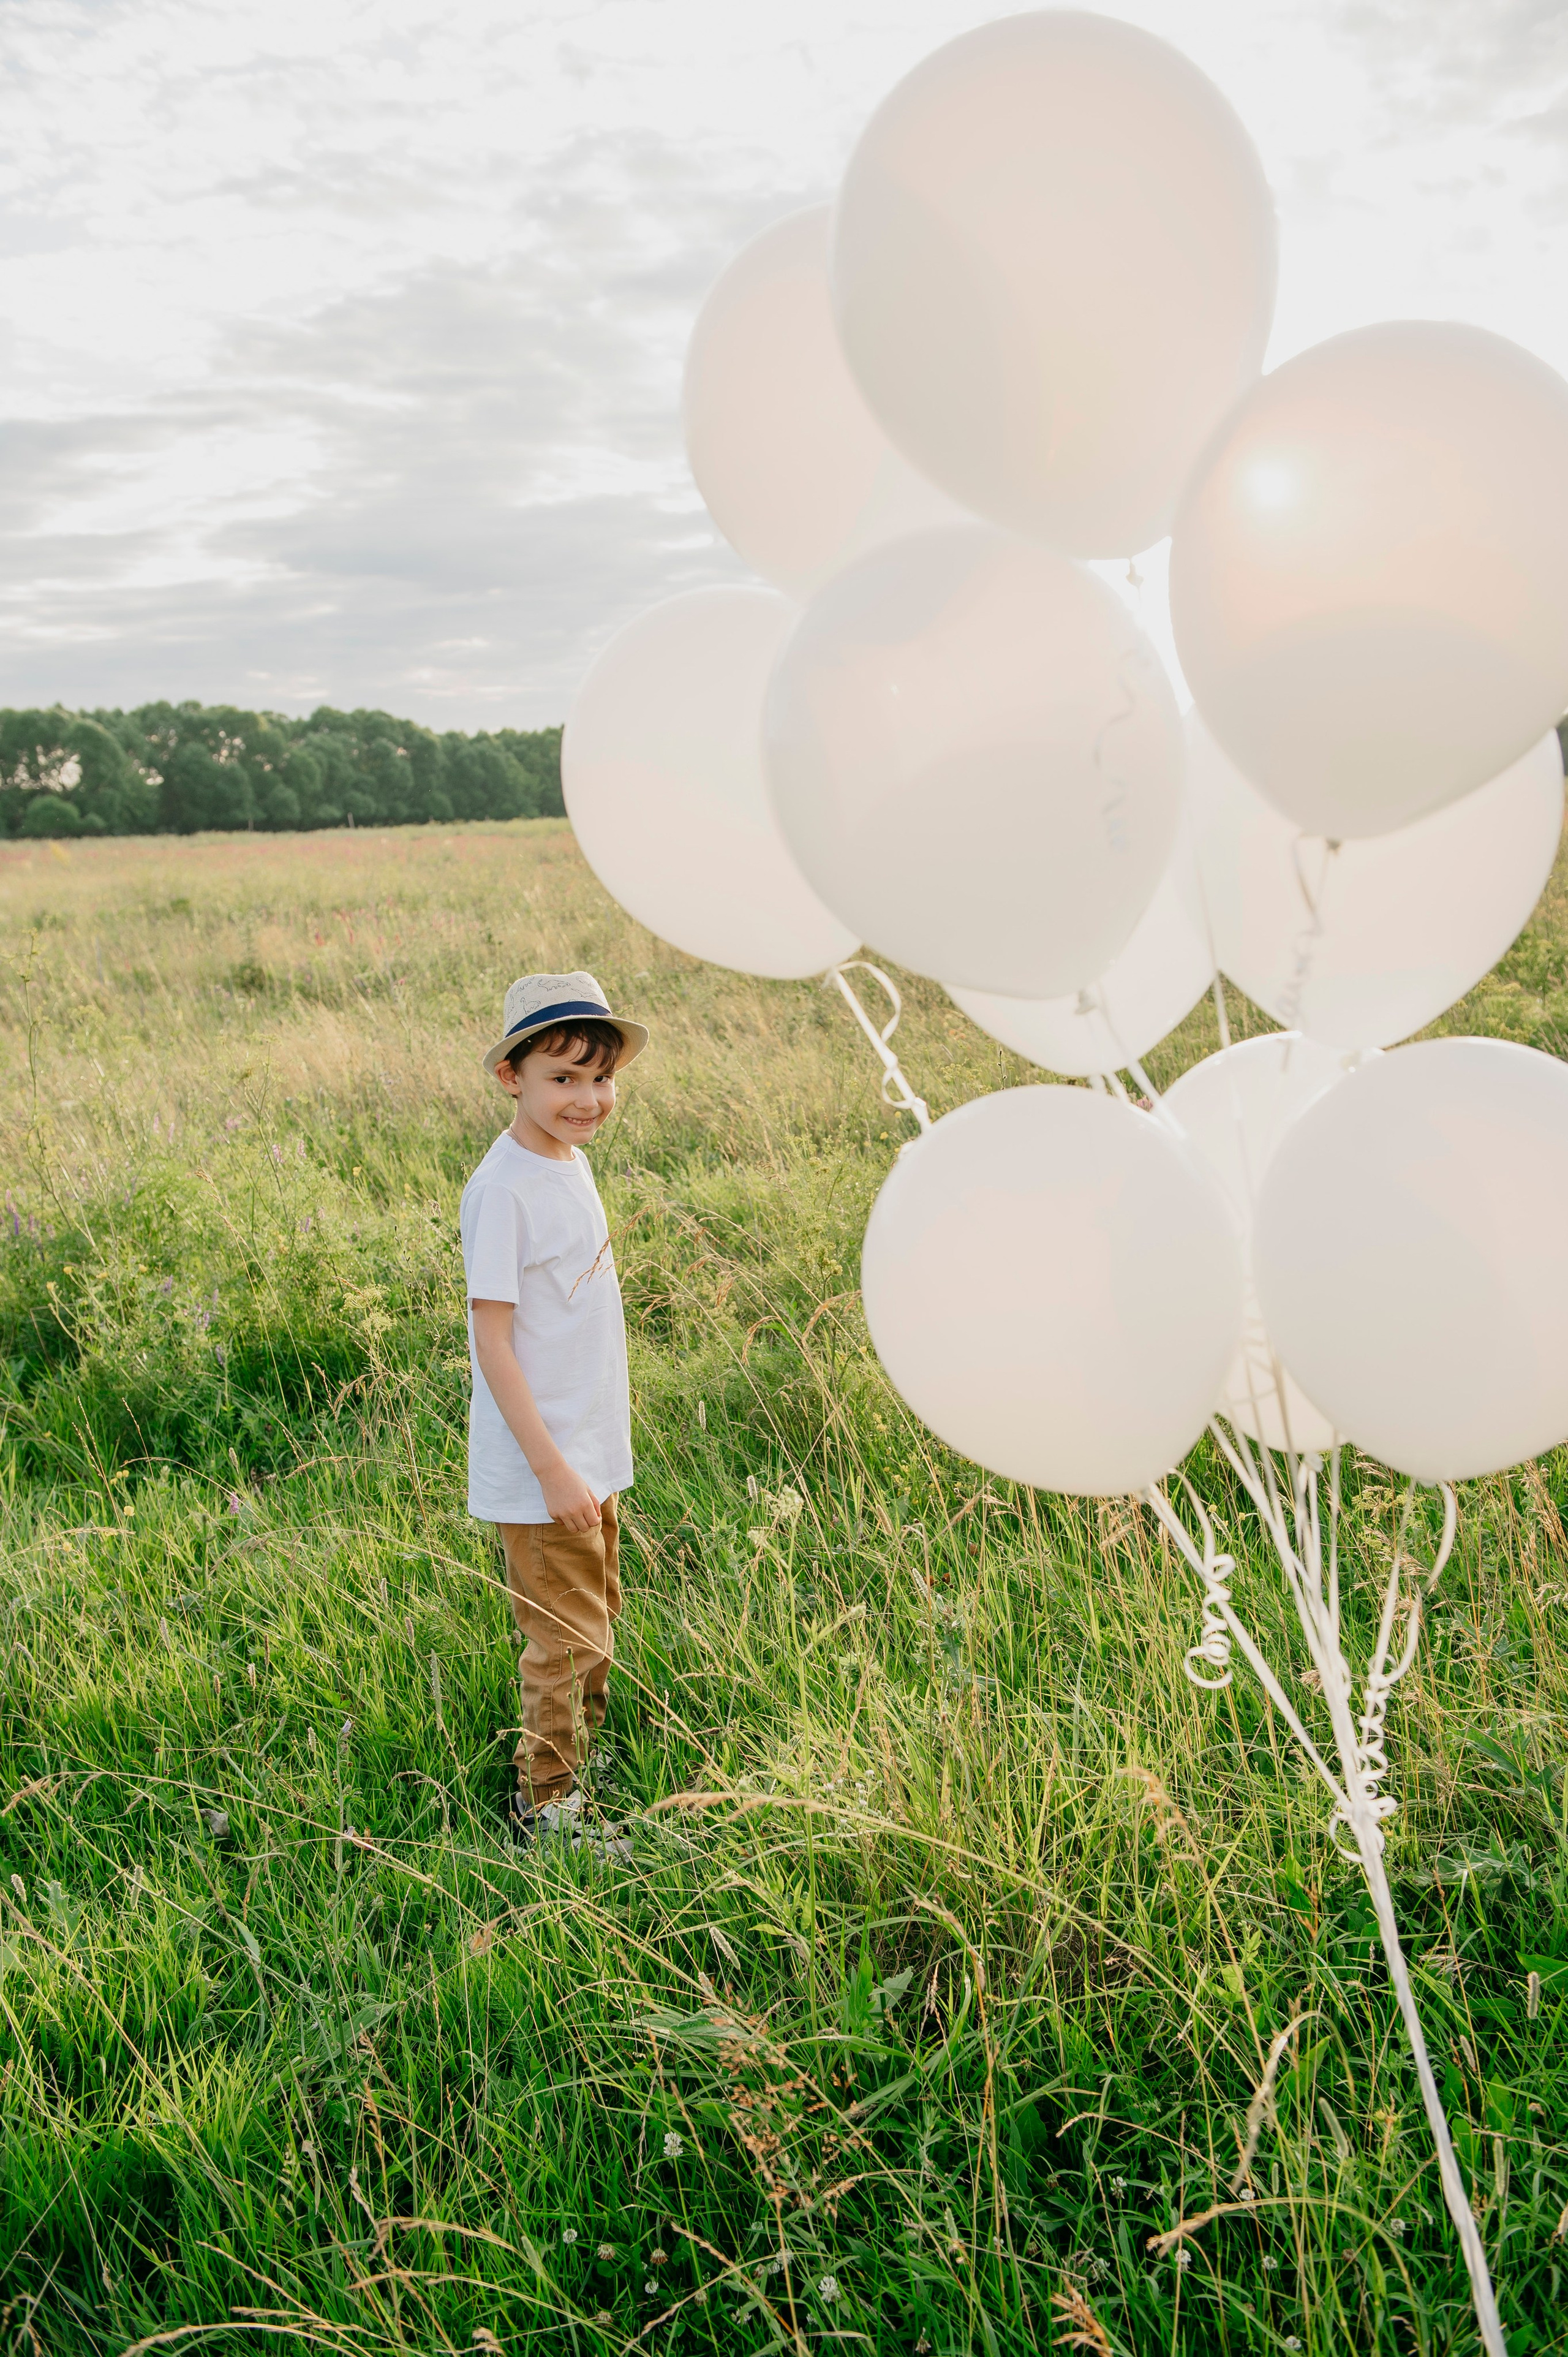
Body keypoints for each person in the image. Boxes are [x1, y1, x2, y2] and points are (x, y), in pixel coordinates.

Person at [461, 970, 649, 1841]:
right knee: (565, 1641)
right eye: (562, 1078)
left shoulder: (567, 1163)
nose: (587, 1099)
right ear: (512, 1078)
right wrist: (552, 1470)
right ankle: (547, 1807)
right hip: (548, 1467)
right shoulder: (504, 1189)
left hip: (588, 1450)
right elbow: (493, 1342)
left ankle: (583, 1760)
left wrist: (594, 1457)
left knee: (595, 1619)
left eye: (600, 1079)